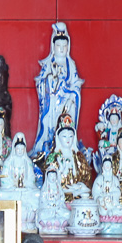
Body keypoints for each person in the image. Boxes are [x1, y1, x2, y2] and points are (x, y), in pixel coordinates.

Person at [29, 23, 84, 158]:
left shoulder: (71, 64)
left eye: (64, 46)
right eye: (58, 46)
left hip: (66, 104)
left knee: (65, 127)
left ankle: (66, 150)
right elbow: (40, 82)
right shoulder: (49, 64)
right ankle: (48, 148)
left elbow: (76, 84)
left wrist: (71, 96)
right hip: (52, 104)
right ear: (53, 47)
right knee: (51, 126)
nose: (61, 49)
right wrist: (50, 81)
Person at [40, 115, 93, 201]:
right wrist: (60, 171)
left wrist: (79, 186)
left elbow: (87, 177)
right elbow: (48, 179)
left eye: (71, 136)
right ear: (58, 138)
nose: (68, 139)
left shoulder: (79, 157)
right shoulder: (53, 157)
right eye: (64, 136)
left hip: (77, 193)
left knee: (86, 195)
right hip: (59, 193)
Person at [0, 132, 41, 233]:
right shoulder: (8, 161)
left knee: (38, 194)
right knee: (0, 194)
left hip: (26, 190)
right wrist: (13, 186)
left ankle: (29, 221)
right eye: (18, 149)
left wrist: (26, 186)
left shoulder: (27, 161)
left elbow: (31, 178)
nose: (20, 151)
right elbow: (4, 179)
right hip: (12, 190)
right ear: (14, 149)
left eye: (22, 149)